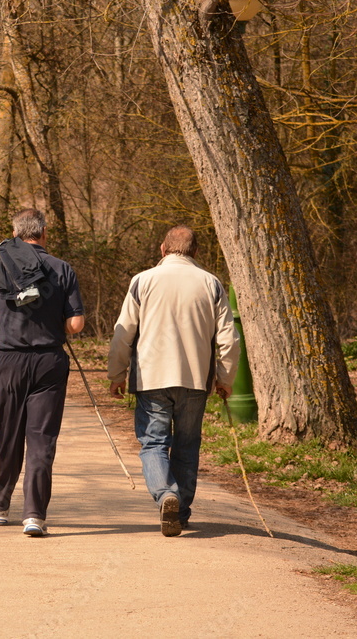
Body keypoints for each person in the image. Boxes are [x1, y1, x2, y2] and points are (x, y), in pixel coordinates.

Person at [107, 225, 239, 537]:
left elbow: (123, 332)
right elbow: (229, 339)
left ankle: (166, 494)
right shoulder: (211, 283)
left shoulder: (143, 281)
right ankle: (180, 512)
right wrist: (225, 378)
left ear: (163, 249)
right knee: (187, 444)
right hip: (195, 378)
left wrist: (116, 374)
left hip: (151, 377)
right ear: (196, 252)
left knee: (153, 442)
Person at [0, 208, 85, 537]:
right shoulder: (62, 268)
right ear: (44, 232)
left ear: (15, 233)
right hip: (49, 363)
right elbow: (76, 324)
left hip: (8, 361)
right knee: (41, 440)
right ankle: (35, 515)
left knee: (9, 435)